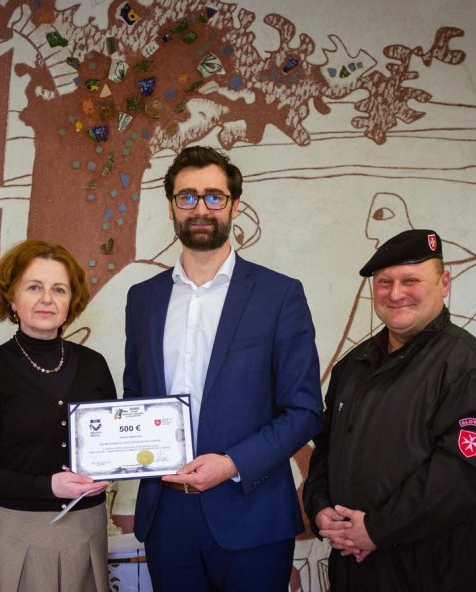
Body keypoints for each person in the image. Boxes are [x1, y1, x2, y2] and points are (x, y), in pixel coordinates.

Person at [123, 145, 323, 591]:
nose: (200, 209)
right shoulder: (143, 299)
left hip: (251, 512)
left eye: (214, 196)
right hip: (166, 516)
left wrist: (232, 464)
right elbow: (136, 398)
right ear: (172, 206)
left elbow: (305, 411)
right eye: (187, 197)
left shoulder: (279, 295)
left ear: (234, 205)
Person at [302, 229, 476, 591]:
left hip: (436, 570)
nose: (395, 293)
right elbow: (327, 447)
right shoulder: (353, 366)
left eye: (411, 280)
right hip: (355, 565)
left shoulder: (470, 367)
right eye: (384, 282)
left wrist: (376, 529)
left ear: (444, 283)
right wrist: (321, 506)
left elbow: (465, 475)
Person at [0, 239, 117, 592]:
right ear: (12, 298)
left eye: (59, 289)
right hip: (13, 533)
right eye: (34, 287)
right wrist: (47, 486)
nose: (47, 298)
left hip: (85, 530)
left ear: (71, 301)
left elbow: (112, 444)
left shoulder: (94, 365)